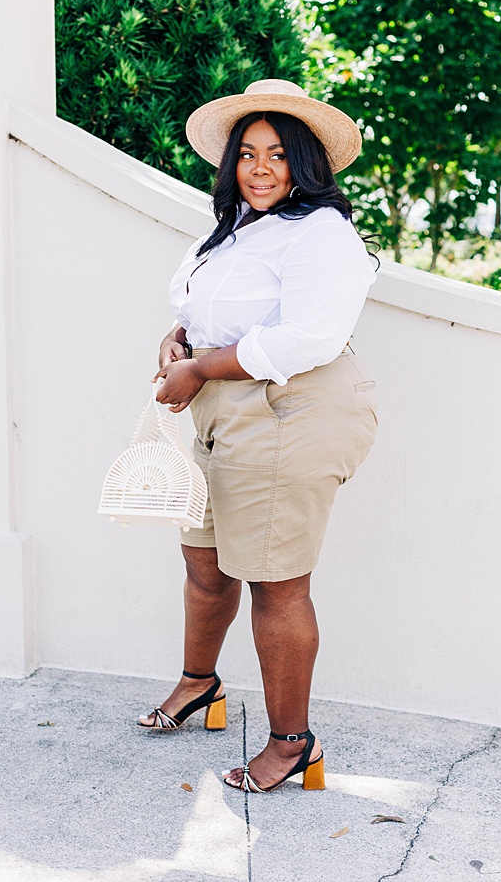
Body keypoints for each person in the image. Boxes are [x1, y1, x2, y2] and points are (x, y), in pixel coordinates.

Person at [136, 79, 378, 794]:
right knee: (205, 565)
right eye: (247, 153)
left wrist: (201, 366)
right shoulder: (233, 227)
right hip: (223, 407)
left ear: (306, 163)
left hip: (290, 409)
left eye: (278, 154)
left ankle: (293, 744)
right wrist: (175, 344)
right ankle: (200, 684)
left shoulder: (321, 233)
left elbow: (308, 335)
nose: (261, 167)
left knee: (276, 583)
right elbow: (197, 310)